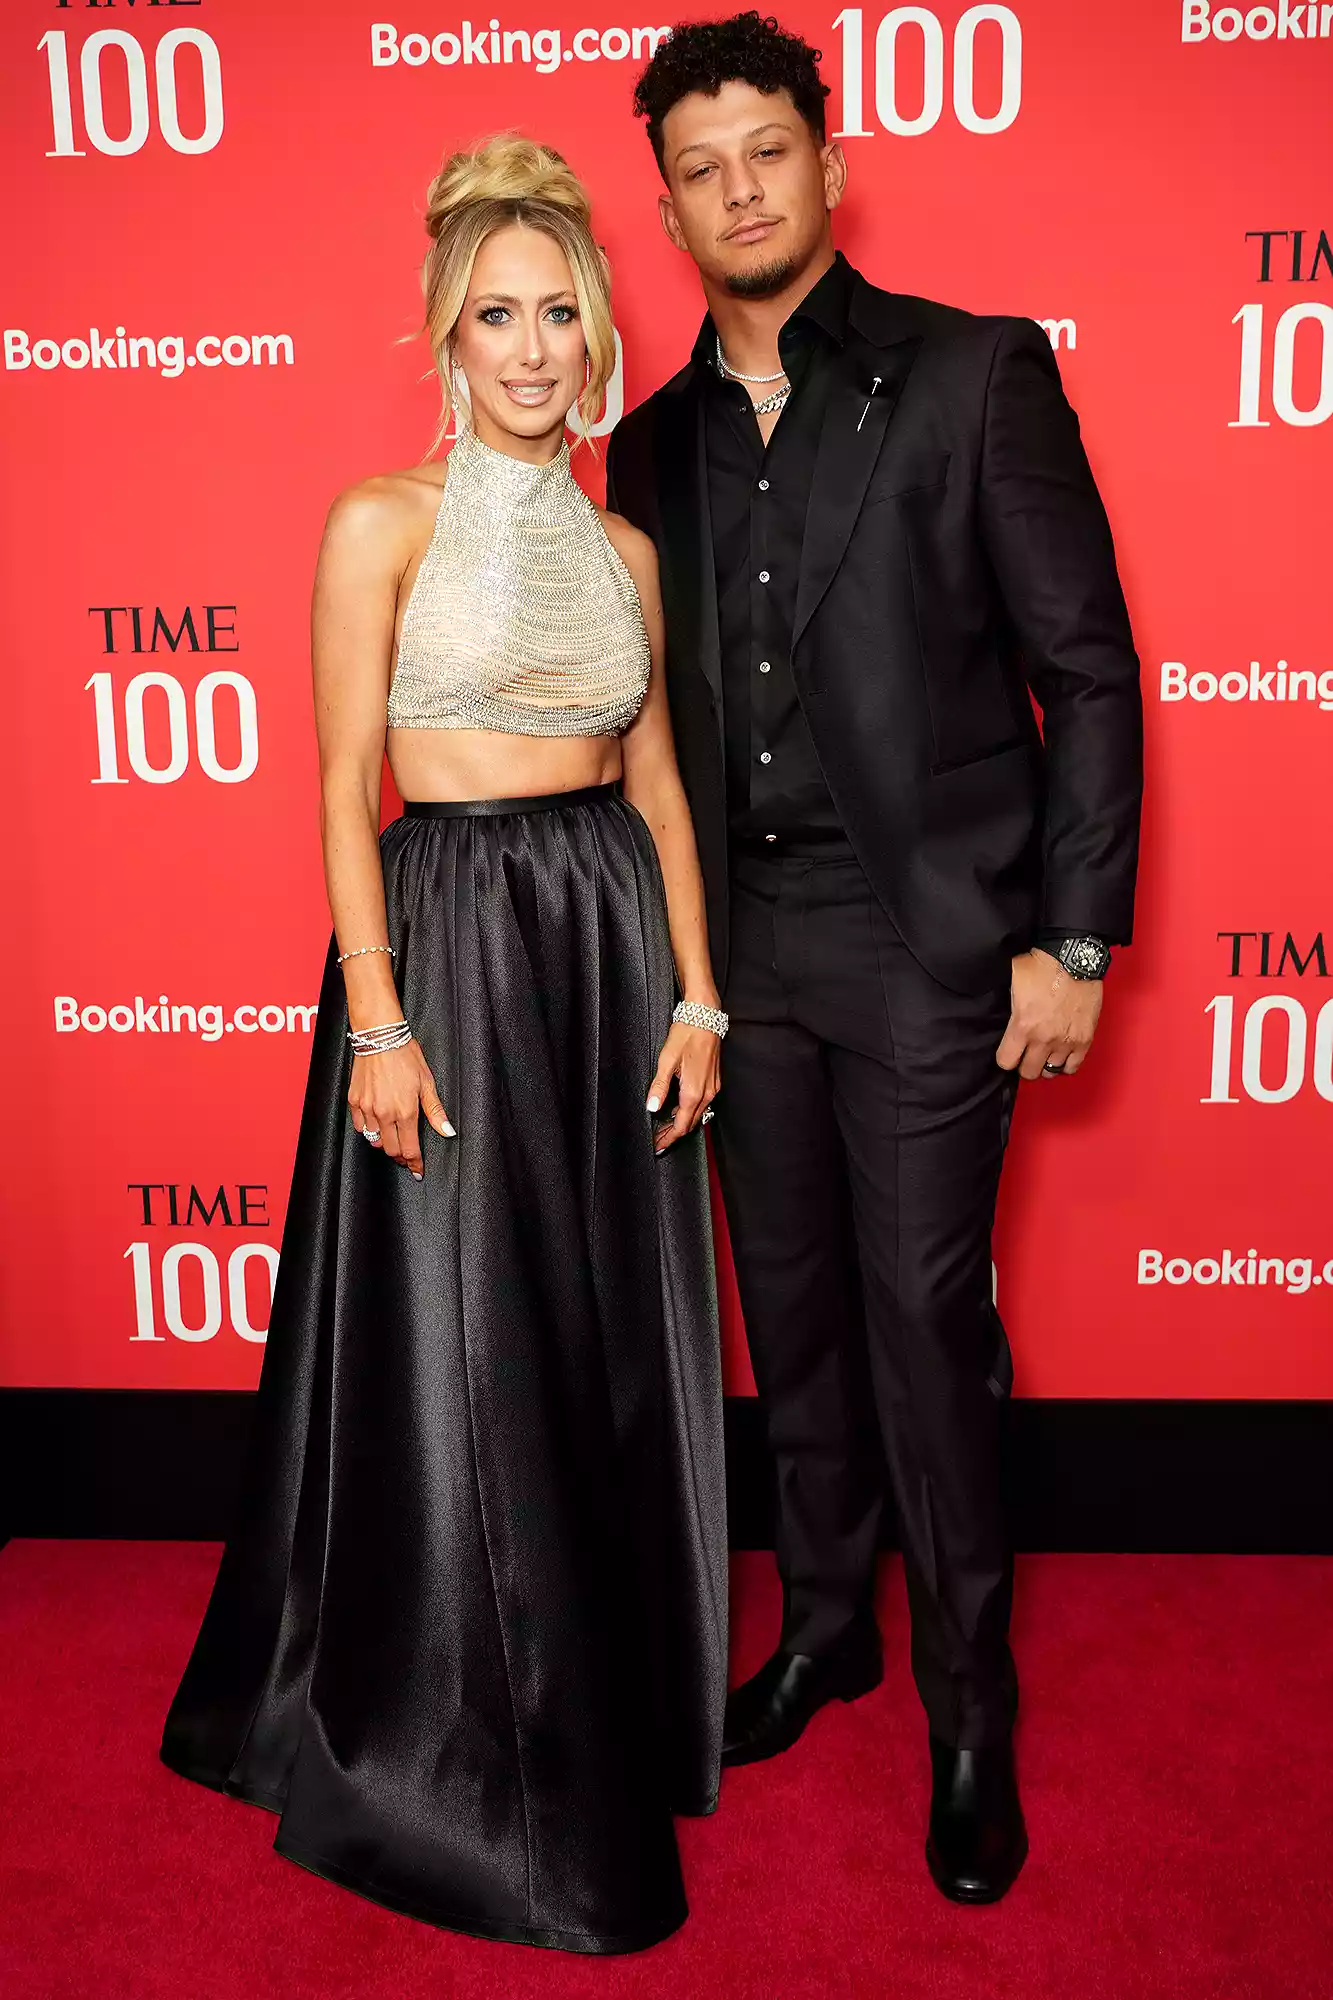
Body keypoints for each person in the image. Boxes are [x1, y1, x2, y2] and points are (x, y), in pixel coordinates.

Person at [161, 135, 729, 1956]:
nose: (538, 348)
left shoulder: (631, 545)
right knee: (462, 1340)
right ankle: (472, 1752)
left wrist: (700, 996)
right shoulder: (376, 523)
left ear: (596, 330)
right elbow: (340, 786)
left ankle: (611, 1694)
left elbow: (657, 789)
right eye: (500, 315)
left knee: (597, 1336)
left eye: (564, 310)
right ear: (444, 331)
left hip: (607, 941)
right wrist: (378, 1014)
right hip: (452, 946)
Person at [608, 14, 1143, 1905]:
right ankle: (827, 1627)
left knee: (927, 1332)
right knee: (796, 1318)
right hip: (736, 957)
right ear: (666, 205)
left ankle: (968, 1708)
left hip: (928, 951)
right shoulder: (646, 442)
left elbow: (1085, 671)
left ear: (829, 164)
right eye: (701, 165)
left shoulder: (973, 374)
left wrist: (1074, 935)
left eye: (769, 149)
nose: (739, 187)